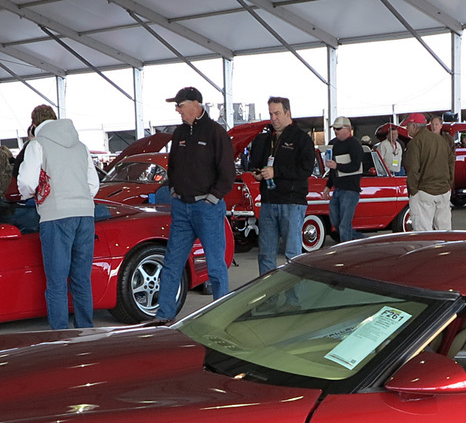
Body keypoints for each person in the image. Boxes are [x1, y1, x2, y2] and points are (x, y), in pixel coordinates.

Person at [18, 105, 99, 331]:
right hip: (85, 214)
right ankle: (86, 330)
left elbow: (26, 181)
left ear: (34, 124)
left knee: (56, 282)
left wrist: (29, 196)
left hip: (56, 216)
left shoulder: (37, 145)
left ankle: (61, 336)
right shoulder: (81, 146)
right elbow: (93, 184)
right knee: (81, 279)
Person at [156, 86, 233, 321]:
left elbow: (227, 172)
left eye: (180, 105)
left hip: (207, 208)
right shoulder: (179, 133)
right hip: (181, 209)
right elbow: (173, 166)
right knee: (171, 264)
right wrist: (173, 189)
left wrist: (213, 197)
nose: (177, 110)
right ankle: (163, 315)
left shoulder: (215, 132)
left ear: (195, 104)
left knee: (215, 267)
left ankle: (222, 317)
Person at [247, 96, 316, 273]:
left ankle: (294, 301)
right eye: (271, 114)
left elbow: (305, 170)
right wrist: (258, 173)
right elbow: (256, 163)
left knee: (293, 255)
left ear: (288, 112)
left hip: (292, 203)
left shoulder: (302, 139)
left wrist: (276, 172)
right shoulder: (264, 139)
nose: (273, 118)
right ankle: (269, 298)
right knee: (265, 254)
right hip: (268, 202)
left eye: (277, 113)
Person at [402, 112, 453, 231]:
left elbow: (412, 169)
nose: (406, 129)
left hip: (424, 192)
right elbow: (451, 163)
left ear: (414, 126)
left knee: (423, 233)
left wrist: (413, 191)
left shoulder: (415, 143)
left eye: (407, 126)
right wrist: (449, 184)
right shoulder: (441, 140)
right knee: (445, 231)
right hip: (443, 191)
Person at [325, 115, 365, 242]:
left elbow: (355, 166)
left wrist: (337, 165)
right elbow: (333, 169)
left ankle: (347, 250)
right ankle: (360, 241)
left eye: (338, 128)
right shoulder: (334, 144)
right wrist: (328, 185)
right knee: (336, 222)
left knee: (343, 224)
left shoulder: (355, 144)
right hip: (338, 188)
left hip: (350, 190)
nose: (335, 131)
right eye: (334, 129)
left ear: (347, 129)